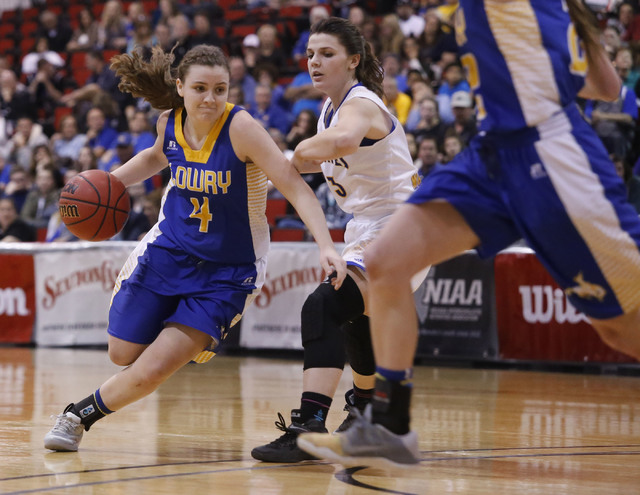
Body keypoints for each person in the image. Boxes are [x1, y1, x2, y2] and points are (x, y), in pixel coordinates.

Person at [297, 0, 640, 469]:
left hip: (552, 154)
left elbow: (610, 87)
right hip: (491, 153)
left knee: (619, 328)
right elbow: (606, 86)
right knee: (386, 262)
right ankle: (391, 425)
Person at [43, 43, 346, 452]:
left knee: (153, 370)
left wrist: (326, 244)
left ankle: (77, 416)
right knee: (121, 354)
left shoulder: (242, 129)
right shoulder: (169, 122)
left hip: (227, 272)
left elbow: (295, 188)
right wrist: (103, 185)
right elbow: (155, 157)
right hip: (167, 251)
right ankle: (157, 342)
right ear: (181, 87)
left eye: (220, 89)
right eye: (201, 88)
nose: (211, 98)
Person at [251, 17, 420, 464]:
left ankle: (308, 426)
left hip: (400, 227)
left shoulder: (360, 104)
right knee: (353, 317)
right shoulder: (331, 109)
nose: (314, 61)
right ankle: (365, 409)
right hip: (367, 227)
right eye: (310, 54)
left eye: (326, 53)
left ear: (354, 60)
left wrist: (301, 148)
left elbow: (337, 143)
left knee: (324, 305)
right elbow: (299, 167)